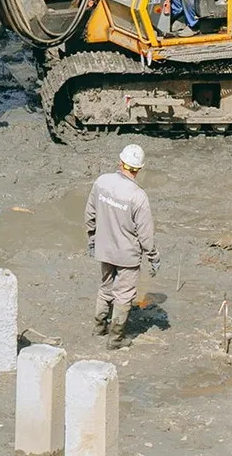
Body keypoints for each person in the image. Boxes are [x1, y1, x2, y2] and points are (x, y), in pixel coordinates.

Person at [85, 143, 160, 349]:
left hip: (104, 249)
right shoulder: (138, 196)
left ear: (121, 162)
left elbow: (90, 215)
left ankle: (99, 328)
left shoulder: (101, 182)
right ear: (139, 169)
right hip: (127, 255)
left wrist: (92, 240)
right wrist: (153, 257)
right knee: (124, 295)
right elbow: (145, 235)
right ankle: (116, 339)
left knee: (105, 288)